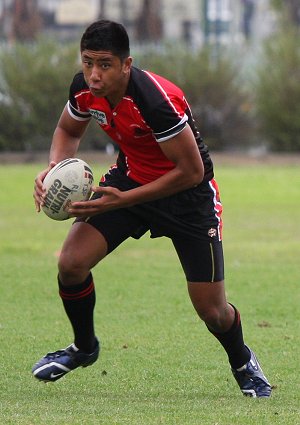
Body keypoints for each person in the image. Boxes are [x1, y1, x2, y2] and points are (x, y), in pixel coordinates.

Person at [32, 20, 271, 398]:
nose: (94, 75)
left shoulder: (155, 101)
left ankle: (243, 362)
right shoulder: (83, 89)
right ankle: (84, 347)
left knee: (212, 311)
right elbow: (67, 132)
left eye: (105, 64)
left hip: (188, 198)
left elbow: (191, 172)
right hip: (130, 181)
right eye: (88, 62)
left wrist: (124, 200)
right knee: (71, 264)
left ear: (127, 64)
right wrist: (55, 170)